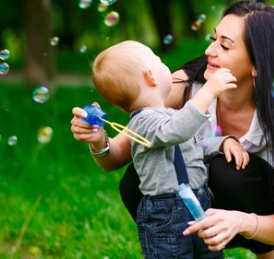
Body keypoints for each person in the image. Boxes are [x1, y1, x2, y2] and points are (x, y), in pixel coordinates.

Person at [70, 0, 274, 258]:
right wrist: (98, 141)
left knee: (232, 171)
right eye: (213, 38)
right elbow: (117, 155)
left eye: (224, 45)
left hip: (246, 208)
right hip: (177, 210)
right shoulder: (184, 86)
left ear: (257, 65)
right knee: (137, 177)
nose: (209, 51)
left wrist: (240, 222)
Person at [84, 40, 249, 258]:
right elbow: (176, 131)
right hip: (166, 212)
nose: (167, 67)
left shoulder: (170, 115)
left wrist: (223, 142)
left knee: (210, 255)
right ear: (151, 76)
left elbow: (195, 143)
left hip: (197, 200)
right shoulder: (143, 122)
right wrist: (207, 92)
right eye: (160, 61)